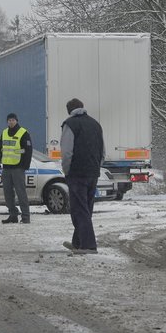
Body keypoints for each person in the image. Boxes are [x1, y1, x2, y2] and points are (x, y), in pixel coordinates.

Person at [59, 98, 104, 254]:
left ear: (69, 110)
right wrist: (97, 166)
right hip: (93, 172)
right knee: (86, 208)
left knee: (79, 209)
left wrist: (66, 170)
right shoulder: (95, 124)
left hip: (77, 172)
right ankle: (78, 242)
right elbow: (102, 150)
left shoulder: (70, 124)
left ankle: (88, 245)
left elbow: (66, 152)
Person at [0, 113, 33, 224]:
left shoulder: (23, 133)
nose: (11, 122)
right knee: (8, 194)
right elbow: (0, 148)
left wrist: (26, 165)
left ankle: (25, 217)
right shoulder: (4, 133)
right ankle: (13, 215)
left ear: (16, 121)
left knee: (21, 193)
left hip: (18, 168)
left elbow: (28, 150)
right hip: (6, 167)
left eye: (13, 120)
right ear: (7, 122)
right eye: (9, 120)